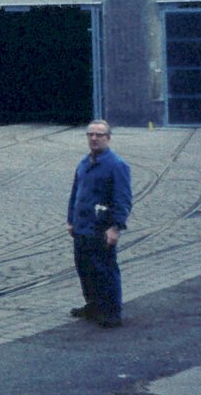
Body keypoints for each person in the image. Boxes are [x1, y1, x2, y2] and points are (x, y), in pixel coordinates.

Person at [66, 119, 132, 328]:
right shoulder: (84, 163)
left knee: (105, 270)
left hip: (101, 228)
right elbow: (75, 193)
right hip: (82, 227)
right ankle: (93, 305)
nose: (94, 138)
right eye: (90, 134)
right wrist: (71, 220)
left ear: (108, 138)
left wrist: (115, 227)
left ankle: (112, 312)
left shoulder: (117, 165)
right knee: (85, 269)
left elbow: (123, 200)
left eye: (99, 135)